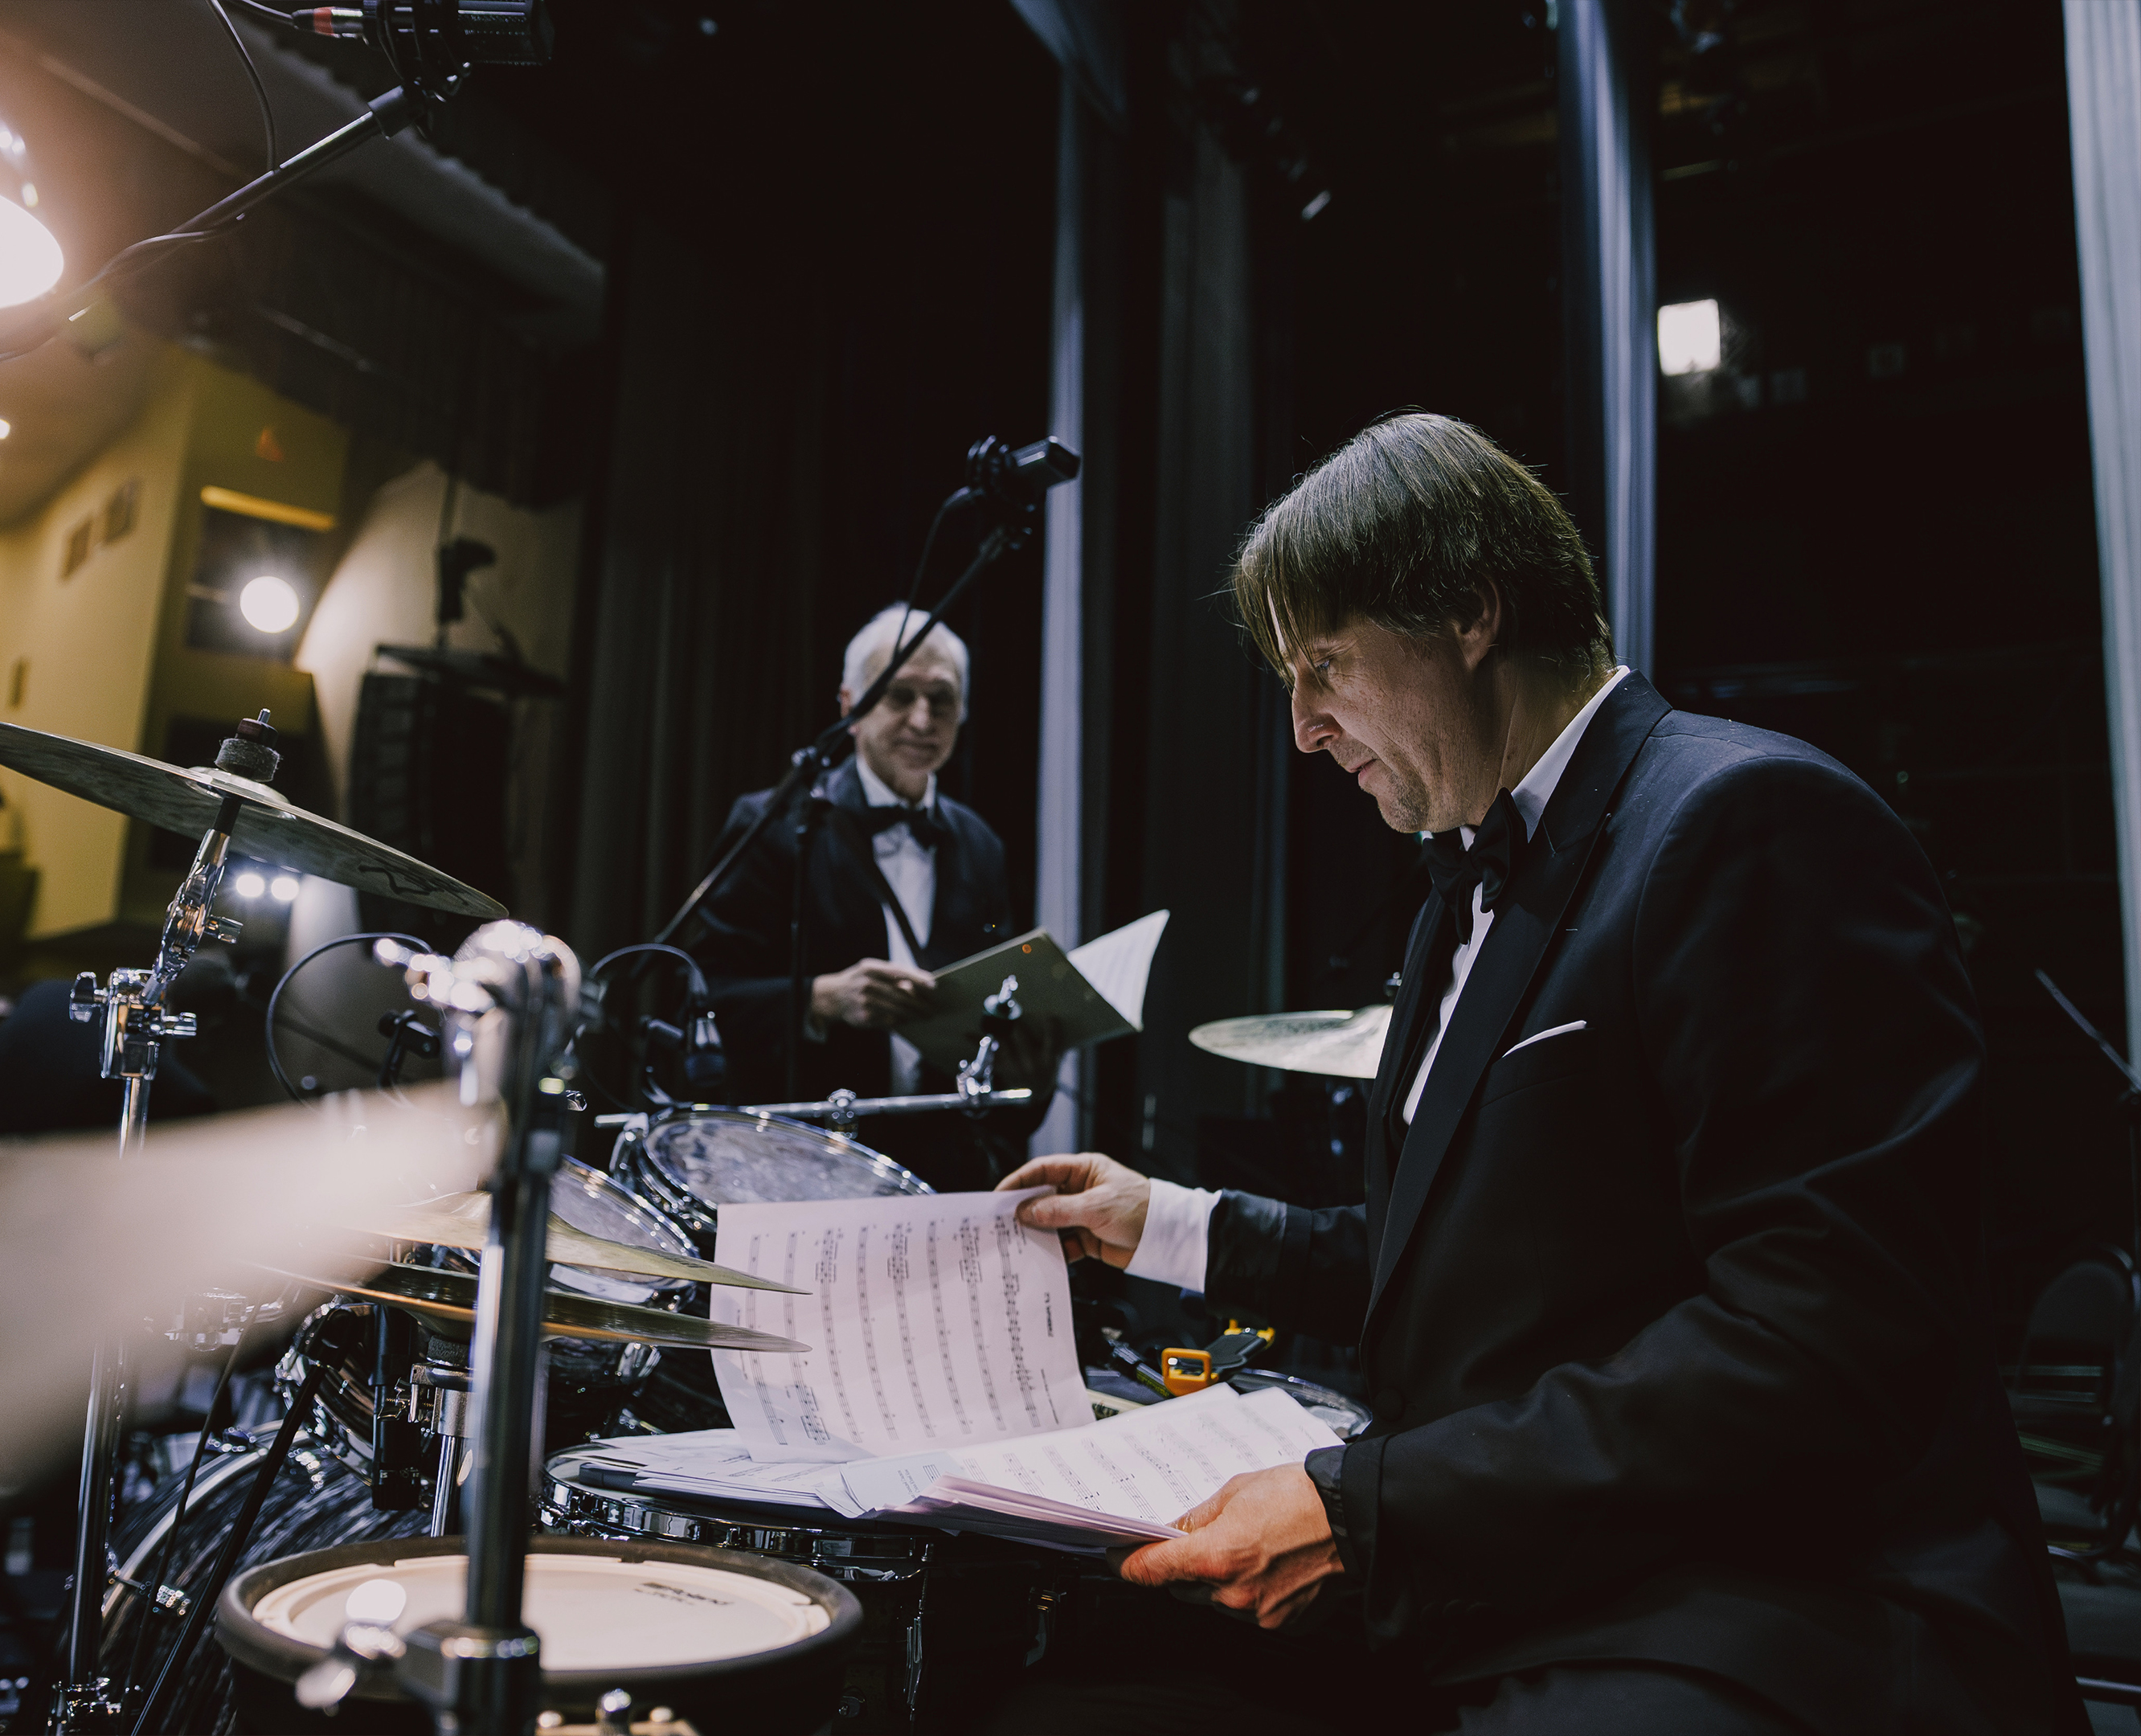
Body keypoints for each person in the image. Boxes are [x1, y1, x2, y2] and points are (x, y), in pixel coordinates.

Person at [994, 413, 2078, 1733]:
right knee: (1058, 1694)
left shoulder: (1747, 821)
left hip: (1767, 1605)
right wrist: (1159, 1221)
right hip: (1526, 1573)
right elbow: (1471, 1266)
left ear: (1468, 614)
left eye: (1323, 666)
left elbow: (1820, 1341)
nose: (1304, 729)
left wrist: (1367, 1511)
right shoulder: (1460, 893)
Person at [689, 604, 1040, 1192]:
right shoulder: (774, 824)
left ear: (963, 712)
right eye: (899, 696)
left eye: (942, 700)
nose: (922, 720)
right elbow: (703, 998)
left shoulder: (981, 845)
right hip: (799, 1165)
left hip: (937, 1173)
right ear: (850, 707)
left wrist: (1026, 1057)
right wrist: (821, 999)